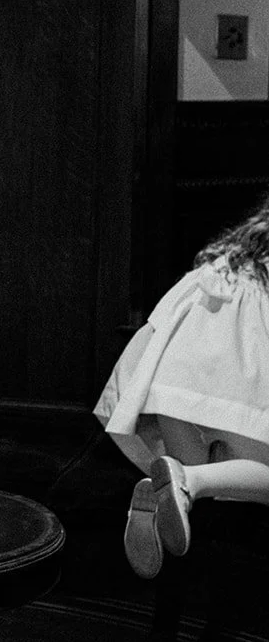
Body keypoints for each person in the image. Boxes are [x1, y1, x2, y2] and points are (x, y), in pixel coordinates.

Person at [95, 189, 269, 579]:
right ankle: (188, 481)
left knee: (190, 475)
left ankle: (164, 495)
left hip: (171, 389)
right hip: (227, 392)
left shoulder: (228, 261)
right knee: (241, 477)